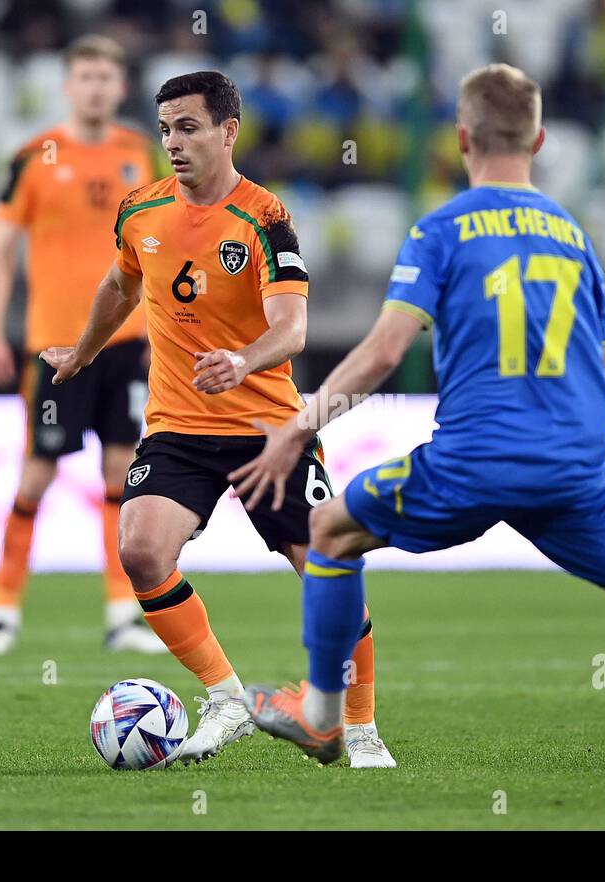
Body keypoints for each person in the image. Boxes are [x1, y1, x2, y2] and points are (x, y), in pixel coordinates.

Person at [232, 63, 605, 802]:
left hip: (473, 462)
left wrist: (299, 424)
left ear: (460, 139)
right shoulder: (574, 238)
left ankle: (322, 716)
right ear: (540, 138)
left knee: (329, 528)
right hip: (575, 471)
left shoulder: (441, 229)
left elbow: (385, 351)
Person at [41, 71, 394, 767]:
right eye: (165, 128)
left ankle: (358, 726)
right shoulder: (140, 210)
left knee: (329, 565)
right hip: (178, 424)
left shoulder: (265, 219)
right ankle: (227, 699)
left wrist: (241, 360)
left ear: (229, 130)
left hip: (268, 429)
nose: (173, 142)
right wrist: (83, 352)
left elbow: (291, 330)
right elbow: (120, 285)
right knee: (141, 549)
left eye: (189, 128)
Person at [0, 35, 164, 656]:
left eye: (107, 76)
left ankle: (122, 615)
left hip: (126, 340)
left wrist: (167, 331)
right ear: (67, 84)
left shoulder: (141, 152)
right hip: (54, 345)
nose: (97, 87)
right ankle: (3, 611)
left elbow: (159, 250)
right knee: (37, 474)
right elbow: (0, 250)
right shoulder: (33, 157)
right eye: (86, 76)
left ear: (121, 86)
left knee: (121, 471)